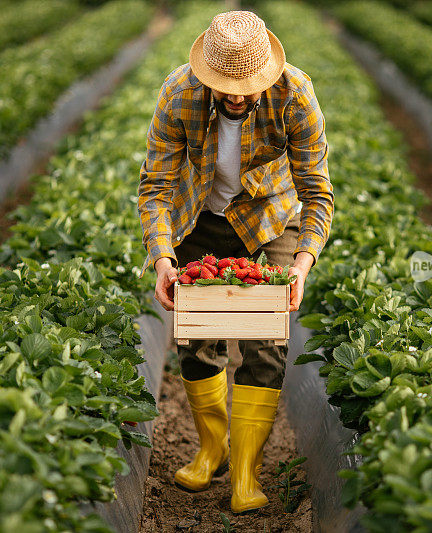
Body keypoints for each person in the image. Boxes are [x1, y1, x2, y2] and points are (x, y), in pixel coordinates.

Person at [137, 10, 333, 513]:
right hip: (202, 216)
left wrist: (302, 263)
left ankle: (246, 471)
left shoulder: (295, 96)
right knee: (197, 333)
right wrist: (162, 257)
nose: (238, 96)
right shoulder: (179, 95)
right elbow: (156, 187)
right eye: (227, 86)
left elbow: (316, 194)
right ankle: (212, 451)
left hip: (270, 221)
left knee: (265, 338)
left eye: (248, 86)